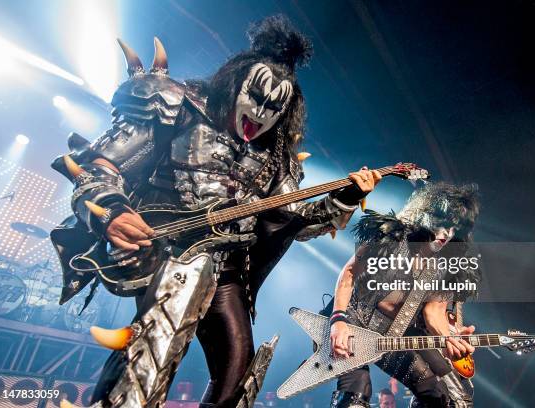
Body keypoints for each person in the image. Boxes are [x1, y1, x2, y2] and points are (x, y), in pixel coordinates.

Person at [50, 15, 380, 407]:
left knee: (237, 375)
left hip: (228, 270)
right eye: (256, 97)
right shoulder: (178, 104)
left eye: (274, 106)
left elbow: (295, 222)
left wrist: (344, 198)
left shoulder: (276, 156)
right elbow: (100, 164)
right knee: (156, 349)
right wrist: (111, 211)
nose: (260, 113)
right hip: (171, 253)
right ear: (236, 81)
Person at [328, 182, 480, 407]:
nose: (448, 233)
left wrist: (450, 336)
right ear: (428, 214)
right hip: (352, 323)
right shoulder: (392, 237)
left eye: (455, 228)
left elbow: (433, 312)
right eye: (445, 224)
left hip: (393, 337)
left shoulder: (448, 265)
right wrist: (338, 319)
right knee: (356, 396)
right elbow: (349, 273)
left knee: (443, 398)